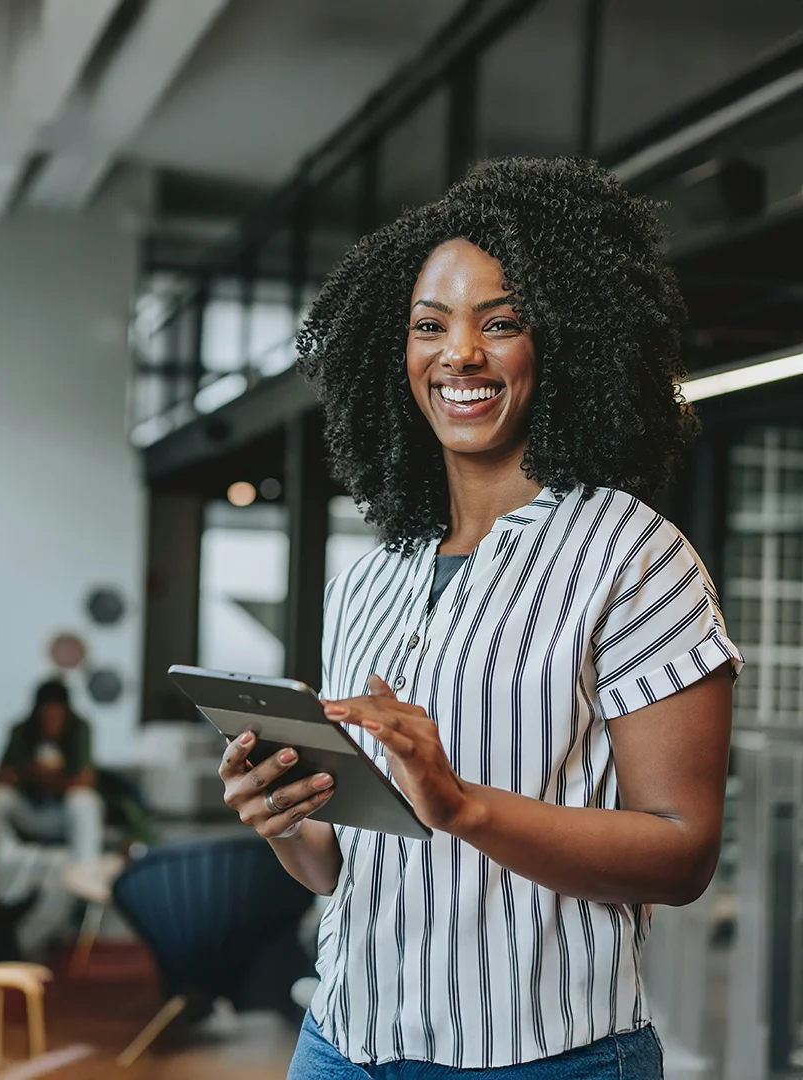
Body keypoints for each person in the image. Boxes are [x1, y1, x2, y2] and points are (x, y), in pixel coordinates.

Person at [218, 157, 742, 1080]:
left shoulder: (631, 554)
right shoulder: (370, 578)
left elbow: (681, 851)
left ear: (565, 346)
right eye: (431, 327)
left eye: (500, 324)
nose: (460, 354)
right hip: (343, 1044)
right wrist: (284, 819)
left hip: (545, 1056)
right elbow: (340, 869)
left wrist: (461, 806)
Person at [0, 679, 103, 883]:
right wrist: (30, 773)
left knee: (84, 802)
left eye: (57, 716)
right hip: (29, 811)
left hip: (61, 815)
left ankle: (85, 883)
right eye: (47, 715)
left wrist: (53, 779)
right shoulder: (21, 730)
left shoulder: (80, 729)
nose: (51, 721)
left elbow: (86, 780)